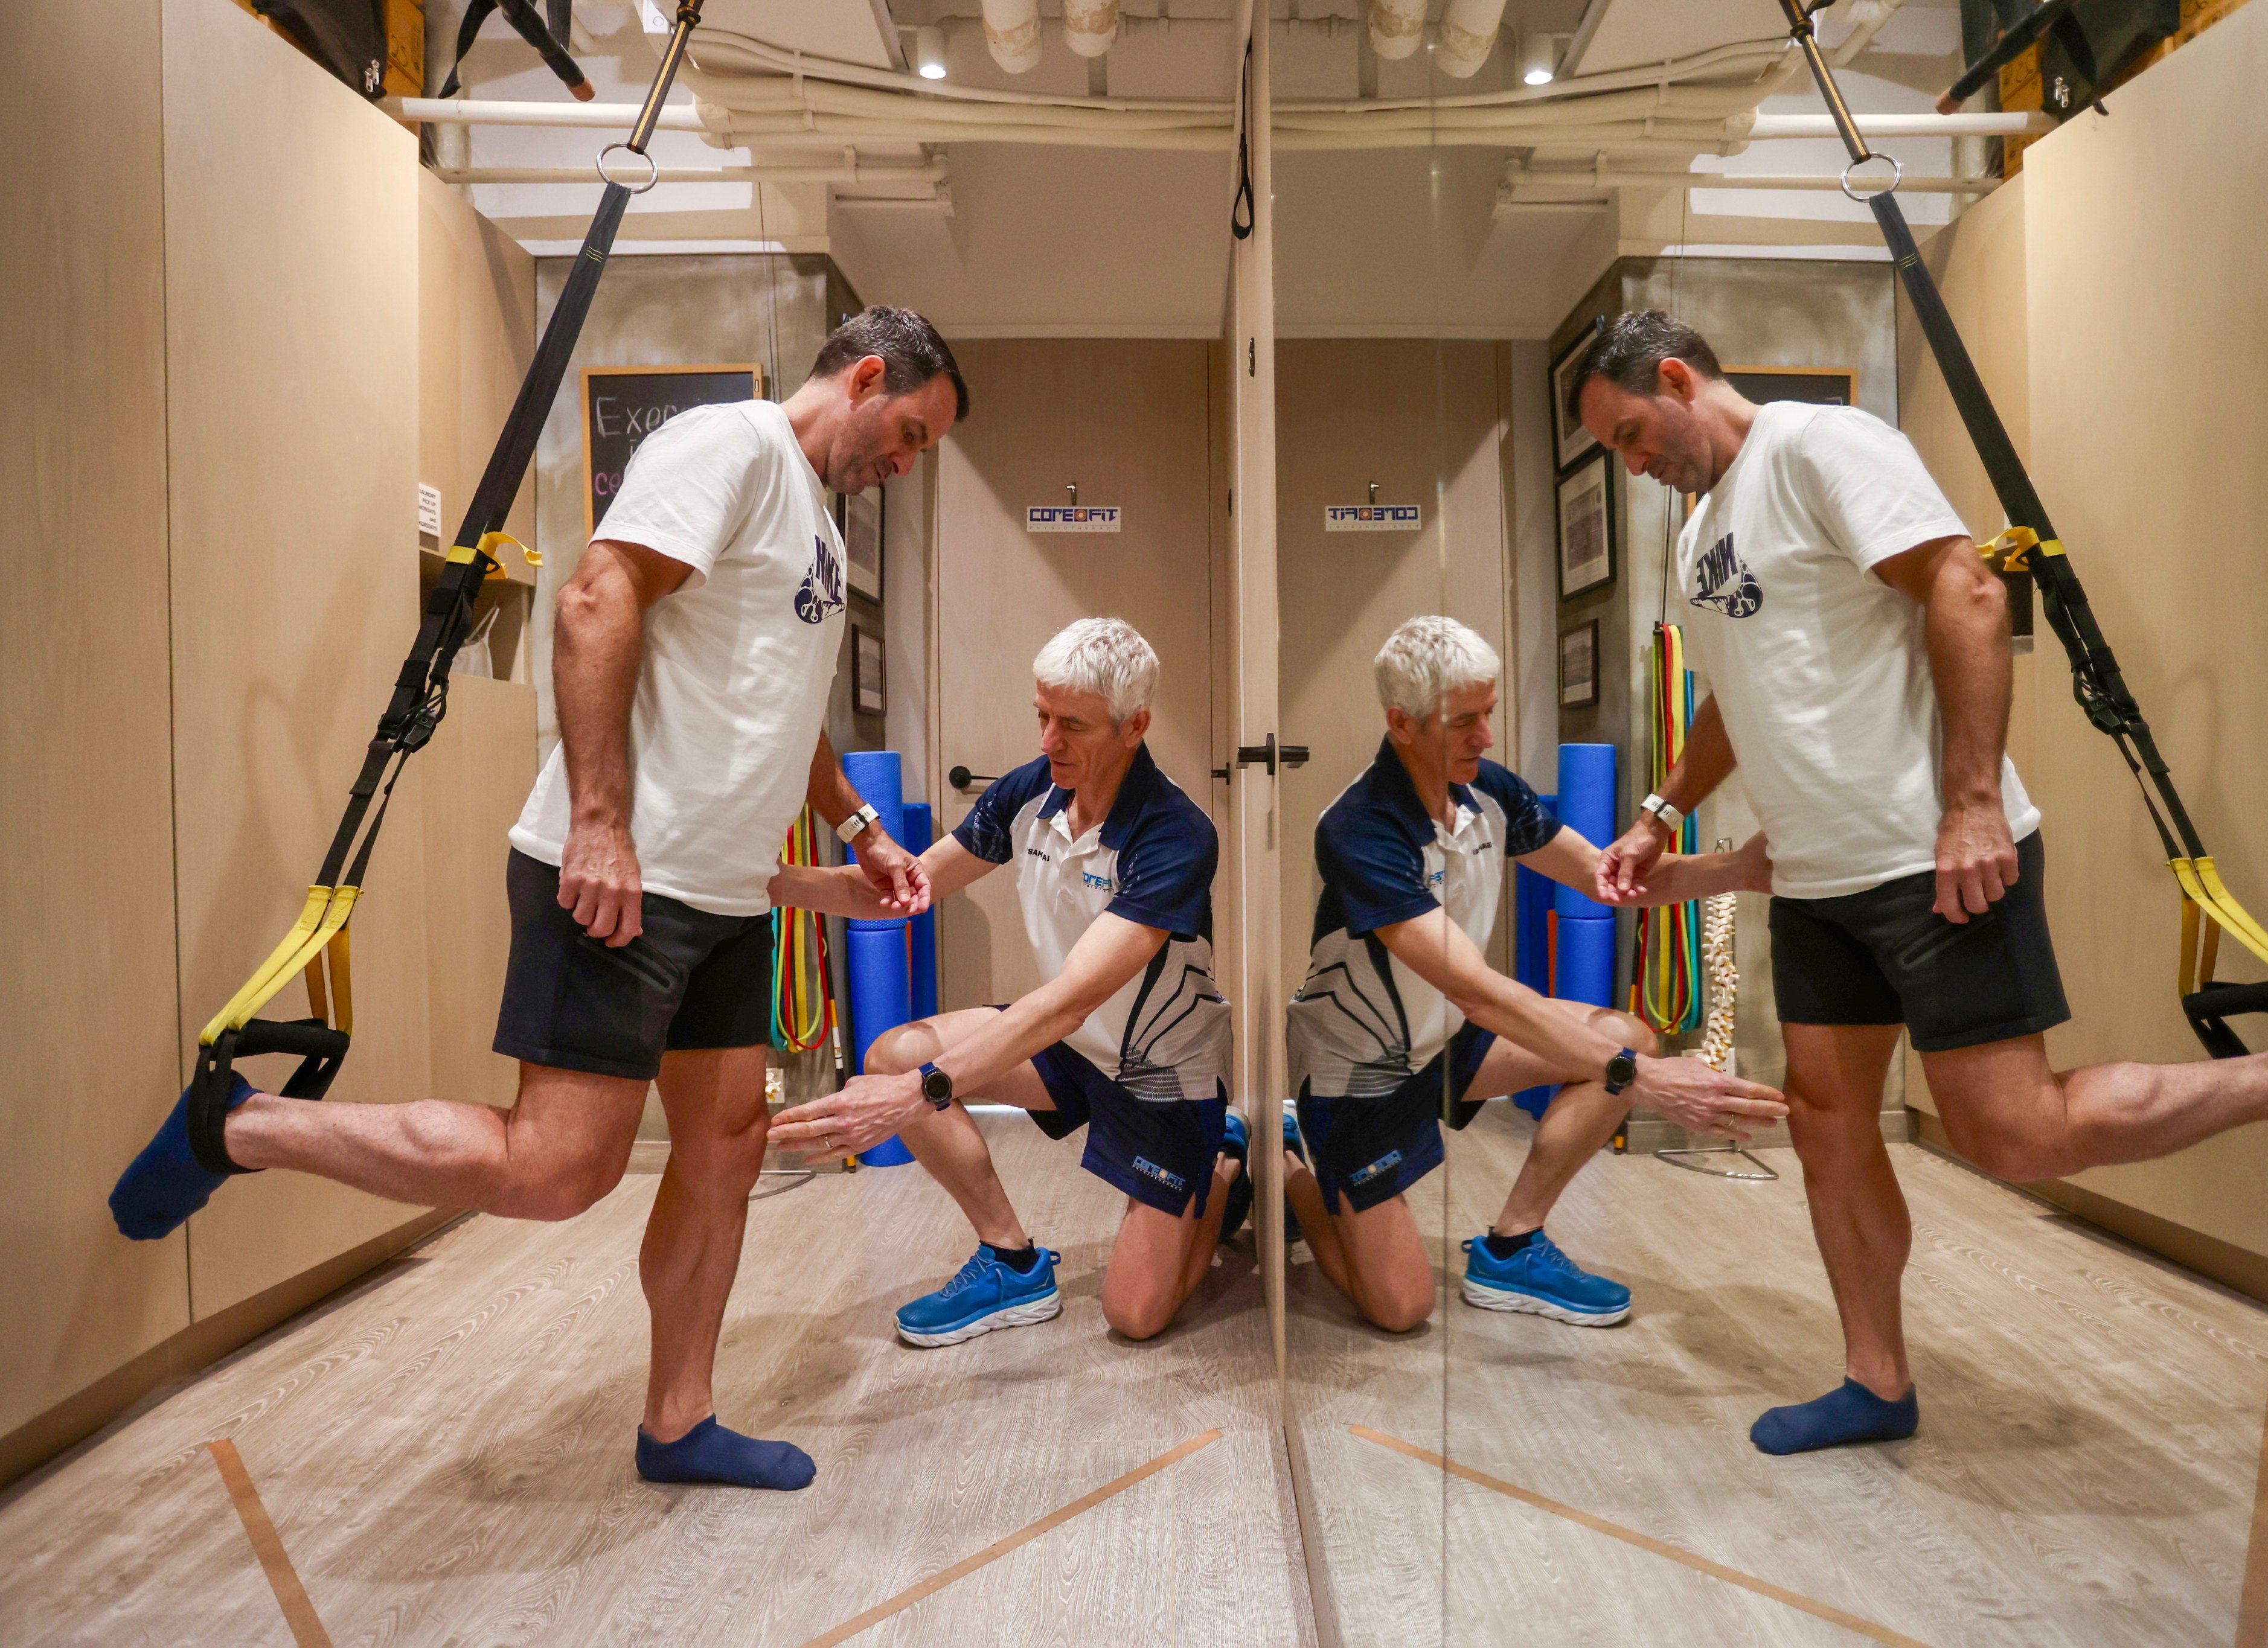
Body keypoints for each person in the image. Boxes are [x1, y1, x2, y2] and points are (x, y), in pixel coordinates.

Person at [111, 305, 971, 1492]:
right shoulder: (729, 446)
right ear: (868, 376)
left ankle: (678, 1421)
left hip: (728, 899)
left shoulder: (813, 525)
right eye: (914, 434)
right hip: (626, 879)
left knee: (723, 1153)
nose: (907, 464)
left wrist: (861, 827)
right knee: (556, 1169)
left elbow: (781, 702)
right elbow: (592, 600)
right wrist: (599, 822)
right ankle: (238, 1125)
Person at [1572, 310, 2268, 1455]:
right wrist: (1660, 812)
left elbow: (1965, 589)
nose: (1632, 464)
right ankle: (1876, 1381)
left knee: (2014, 1135)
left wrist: (1971, 803)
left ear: (1675, 378)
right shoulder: (1698, 534)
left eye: (1629, 434)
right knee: (1828, 1127)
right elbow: (1735, 690)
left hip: (1933, 859)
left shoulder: (1818, 446)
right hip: (1815, 882)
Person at [1281, 616, 1788, 1333]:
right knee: (1399, 1310)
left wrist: (1739, 869)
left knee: (1625, 1039)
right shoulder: (1359, 828)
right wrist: (1643, 1081)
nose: (1486, 737)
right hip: (1360, 1065)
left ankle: (1511, 1246)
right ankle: (1284, 1167)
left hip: (1447, 1041)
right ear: (1401, 723)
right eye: (1464, 722)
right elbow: (1477, 990)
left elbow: (1610, 880)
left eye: (1488, 713)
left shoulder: (1489, 791)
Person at [767, 618, 1242, 1346]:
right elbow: (900, 891)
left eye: (1072, 724)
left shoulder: (1175, 834)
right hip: (1073, 1043)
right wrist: (761, 883)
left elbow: (1071, 999)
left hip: (1160, 1071)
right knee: (895, 1054)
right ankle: (1012, 1260)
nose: (1049, 740)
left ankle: (1226, 1163)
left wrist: (921, 1092)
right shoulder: (1032, 791)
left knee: (1135, 1316)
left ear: (1134, 726)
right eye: (1042, 715)